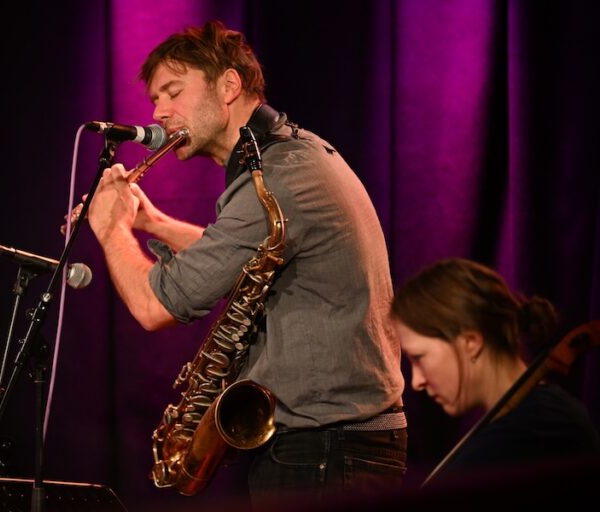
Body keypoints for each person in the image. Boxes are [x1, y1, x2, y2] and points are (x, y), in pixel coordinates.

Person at [84, 20, 407, 505]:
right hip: (334, 445)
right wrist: (153, 223)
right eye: (155, 99)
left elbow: (154, 306)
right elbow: (246, 253)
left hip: (326, 448)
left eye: (173, 92)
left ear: (229, 85)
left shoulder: (276, 178)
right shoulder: (290, 156)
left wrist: (110, 228)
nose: (158, 113)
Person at [391, 257, 600, 488]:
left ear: (470, 342)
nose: (416, 381)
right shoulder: (529, 422)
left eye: (419, 357)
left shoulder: (538, 429)